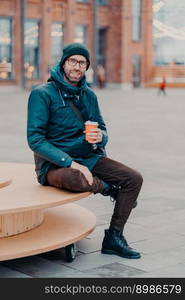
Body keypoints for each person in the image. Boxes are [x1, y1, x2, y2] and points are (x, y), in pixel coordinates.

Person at [27, 43, 143, 259]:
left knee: (134, 178)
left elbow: (102, 127)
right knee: (76, 177)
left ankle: (114, 237)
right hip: (55, 165)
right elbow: (35, 139)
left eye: (82, 63)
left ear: (86, 67)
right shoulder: (42, 94)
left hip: (89, 157)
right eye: (73, 61)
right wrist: (71, 162)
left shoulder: (89, 95)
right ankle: (110, 189)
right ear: (63, 63)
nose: (77, 66)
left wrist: (102, 136)